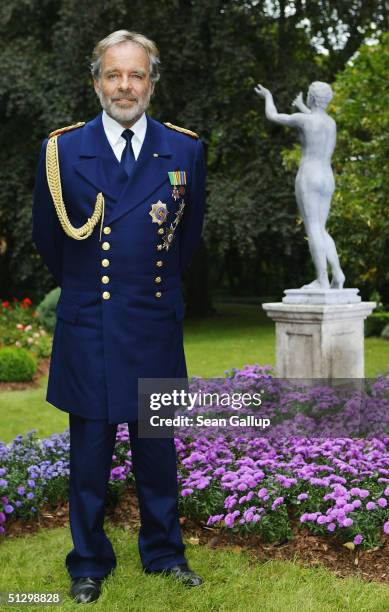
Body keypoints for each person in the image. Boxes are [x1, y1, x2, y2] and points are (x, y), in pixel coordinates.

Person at [32, 30, 205, 604]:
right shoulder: (62, 150)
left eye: (135, 75)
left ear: (151, 82)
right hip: (91, 326)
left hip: (153, 322)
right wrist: (87, 292)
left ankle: (164, 554)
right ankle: (87, 563)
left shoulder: (184, 150)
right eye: (113, 74)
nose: (124, 86)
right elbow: (49, 240)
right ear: (96, 82)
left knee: (158, 451)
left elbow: (187, 239)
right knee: (88, 457)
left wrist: (148, 292)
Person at [255, 81, 345, 290]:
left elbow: (274, 116)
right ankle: (337, 274)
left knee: (313, 227)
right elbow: (315, 120)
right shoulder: (330, 123)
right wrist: (303, 106)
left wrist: (268, 96)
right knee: (321, 228)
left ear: (312, 98)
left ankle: (322, 280)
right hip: (327, 176)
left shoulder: (303, 120)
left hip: (310, 174)